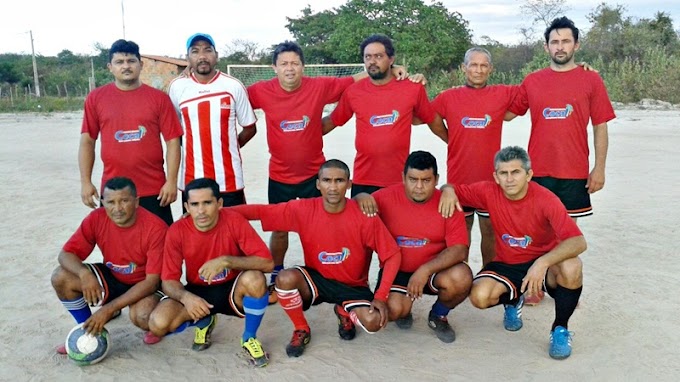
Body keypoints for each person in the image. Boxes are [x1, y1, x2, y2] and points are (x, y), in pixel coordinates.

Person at [246, 41, 422, 301]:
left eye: (295, 63)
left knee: (320, 229)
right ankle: (277, 272)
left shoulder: (320, 86)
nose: (290, 68)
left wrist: (395, 68)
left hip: (314, 175)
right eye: (284, 63)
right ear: (274, 67)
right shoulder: (260, 91)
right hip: (279, 175)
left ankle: (325, 277)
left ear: (303, 66)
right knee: (279, 229)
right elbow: (229, 95)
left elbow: (357, 77)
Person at [230, 160, 401, 358]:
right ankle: (301, 328)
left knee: (374, 322)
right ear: (318, 184)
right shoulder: (303, 209)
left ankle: (344, 311)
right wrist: (218, 213)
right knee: (284, 279)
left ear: (349, 184)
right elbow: (260, 211)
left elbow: (392, 255)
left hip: (353, 286)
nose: (333, 187)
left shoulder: (364, 216)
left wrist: (380, 296)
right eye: (327, 180)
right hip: (316, 279)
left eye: (339, 181)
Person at [505, 17, 614, 305]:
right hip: (537, 171)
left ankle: (564, 282)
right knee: (535, 231)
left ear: (576, 44)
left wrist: (599, 168)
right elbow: (506, 112)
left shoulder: (591, 79)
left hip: (573, 171)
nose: (560, 46)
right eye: (555, 41)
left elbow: (600, 125)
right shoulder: (533, 80)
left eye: (566, 41)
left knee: (565, 235)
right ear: (546, 47)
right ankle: (534, 285)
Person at [444, 146, 586, 359]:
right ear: (496, 177)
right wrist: (447, 189)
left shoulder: (546, 199)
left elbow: (578, 242)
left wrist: (542, 263)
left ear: (528, 174)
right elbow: (452, 188)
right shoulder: (488, 191)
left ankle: (560, 329)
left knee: (572, 265)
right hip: (507, 264)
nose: (510, 179)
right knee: (479, 297)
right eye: (504, 173)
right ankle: (513, 300)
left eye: (516, 172)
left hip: (543, 265)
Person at [147, 178, 273, 367]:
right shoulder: (177, 231)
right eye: (195, 204)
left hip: (232, 288)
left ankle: (249, 337)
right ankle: (203, 321)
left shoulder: (234, 221)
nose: (201, 210)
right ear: (187, 207)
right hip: (198, 291)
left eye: (207, 202)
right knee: (158, 323)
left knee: (255, 279)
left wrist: (226, 260)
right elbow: (169, 281)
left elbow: (267, 263)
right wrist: (186, 298)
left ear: (219, 203)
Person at [354, 151, 472, 343]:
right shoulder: (384, 198)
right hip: (397, 270)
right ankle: (403, 309)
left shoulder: (447, 202)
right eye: (413, 179)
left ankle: (438, 315)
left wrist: (425, 270)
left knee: (461, 277)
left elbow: (460, 249)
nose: (418, 187)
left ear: (436, 179)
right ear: (403, 177)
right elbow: (353, 212)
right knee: (389, 312)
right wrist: (361, 196)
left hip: (434, 270)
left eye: (426, 180)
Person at [51, 177, 168, 354]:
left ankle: (152, 322)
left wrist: (108, 309)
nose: (117, 208)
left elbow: (152, 281)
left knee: (144, 317)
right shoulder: (96, 218)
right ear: (103, 203)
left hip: (144, 284)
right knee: (61, 276)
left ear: (136, 202)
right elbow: (65, 255)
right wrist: (84, 274)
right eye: (111, 202)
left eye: (124, 201)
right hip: (113, 276)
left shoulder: (155, 227)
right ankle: (87, 330)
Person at [322, 34, 448, 197]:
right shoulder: (353, 91)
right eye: (368, 57)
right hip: (364, 179)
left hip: (399, 179)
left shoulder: (412, 88)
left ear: (391, 59)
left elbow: (432, 118)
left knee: (398, 223)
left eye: (378, 56)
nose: (372, 61)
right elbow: (332, 121)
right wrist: (301, 133)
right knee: (364, 223)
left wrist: (451, 141)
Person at [79, 39, 182, 226]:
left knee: (161, 248)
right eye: (119, 62)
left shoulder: (159, 99)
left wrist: (171, 181)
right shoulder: (96, 98)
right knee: (116, 249)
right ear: (110, 67)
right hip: (114, 191)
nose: (126, 66)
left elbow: (173, 142)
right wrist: (86, 181)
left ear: (140, 64)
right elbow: (87, 141)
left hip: (154, 189)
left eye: (131, 61)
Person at [431, 47, 518, 267]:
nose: (478, 70)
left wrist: (579, 69)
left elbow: (533, 93)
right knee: (461, 235)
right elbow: (427, 117)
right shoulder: (448, 97)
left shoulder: (502, 93)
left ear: (491, 69)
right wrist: (450, 138)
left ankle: (489, 274)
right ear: (464, 67)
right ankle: (463, 278)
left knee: (490, 233)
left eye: (483, 65)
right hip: (460, 178)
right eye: (473, 65)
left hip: (491, 180)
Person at [167, 33, 257, 208]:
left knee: (233, 232)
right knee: (195, 233)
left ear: (216, 56)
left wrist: (228, 146)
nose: (202, 56)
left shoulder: (233, 85)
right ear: (187, 58)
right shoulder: (177, 87)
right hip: (192, 180)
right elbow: (174, 132)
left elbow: (250, 128)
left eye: (208, 50)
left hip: (229, 179)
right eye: (195, 51)